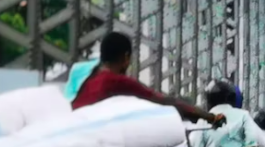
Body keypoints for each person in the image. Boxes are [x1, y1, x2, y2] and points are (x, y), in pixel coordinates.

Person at [72, 32, 225, 126]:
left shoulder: (90, 79)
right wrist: (209, 117)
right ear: (126, 57)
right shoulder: (116, 81)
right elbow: (164, 101)